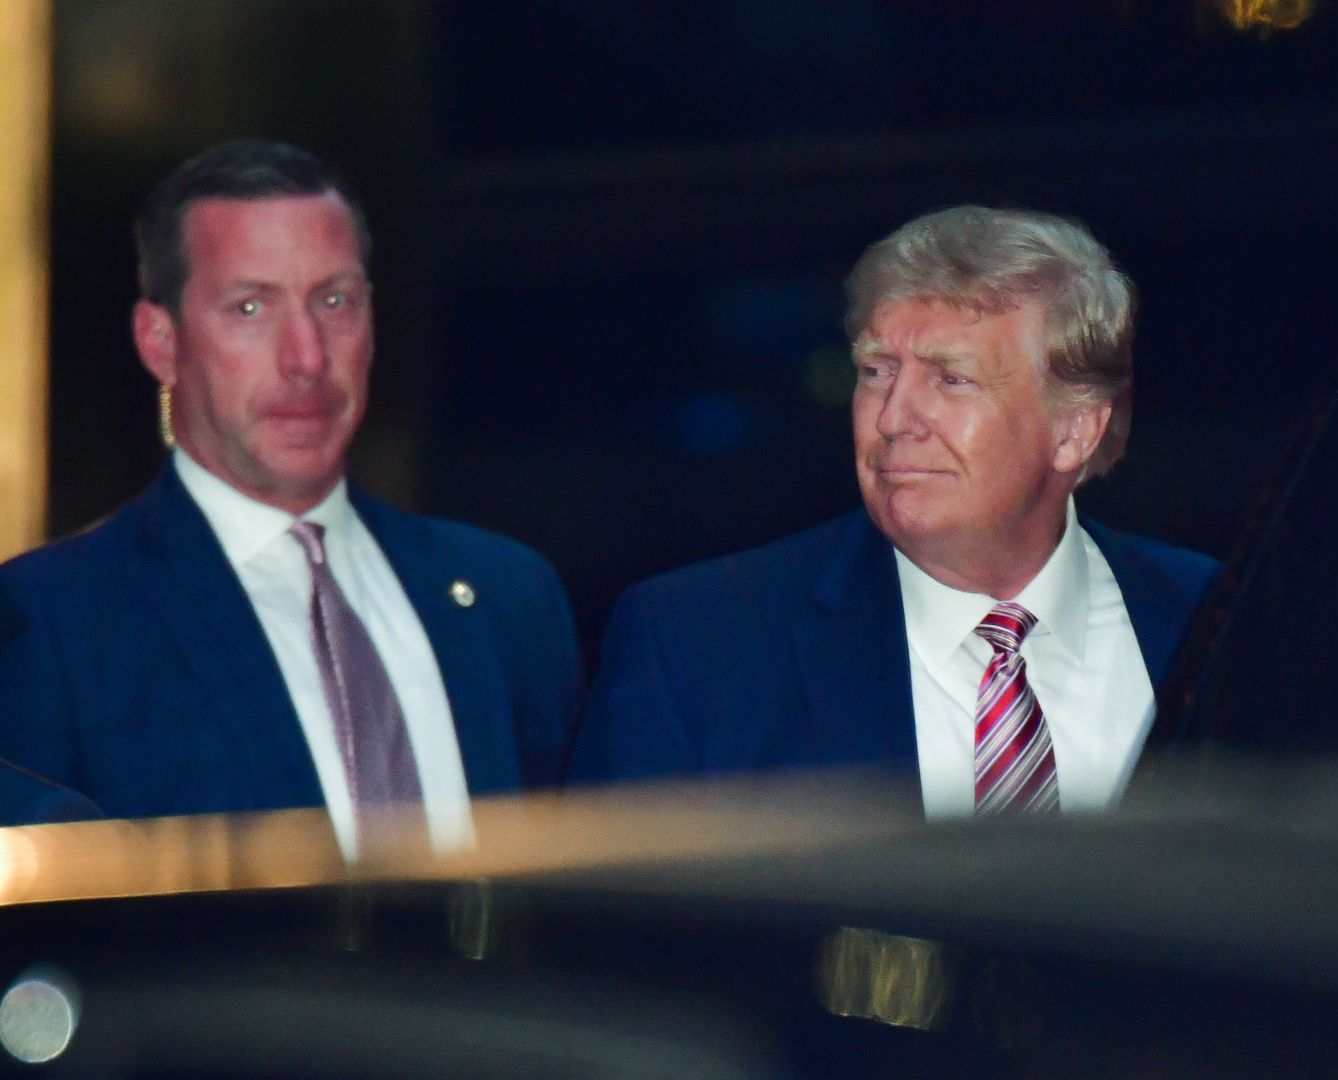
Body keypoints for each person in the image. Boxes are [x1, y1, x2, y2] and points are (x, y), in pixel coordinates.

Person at [0, 140, 581, 853]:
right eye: (250, 307)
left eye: (335, 301)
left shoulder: (508, 596)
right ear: (160, 342)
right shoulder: (52, 623)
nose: (307, 358)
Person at [571, 205, 1218, 817]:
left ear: (1075, 430)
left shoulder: (1215, 617)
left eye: (952, 379)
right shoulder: (696, 648)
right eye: (877, 372)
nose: (893, 417)